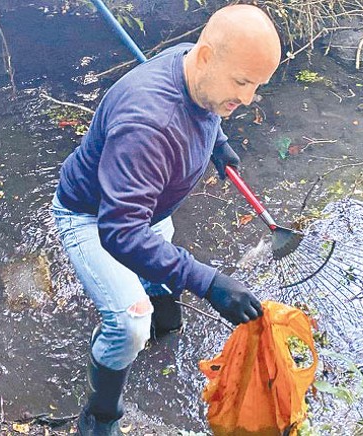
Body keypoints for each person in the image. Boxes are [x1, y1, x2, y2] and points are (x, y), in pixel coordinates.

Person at [51, 4, 281, 435]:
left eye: (257, 86)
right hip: (93, 213)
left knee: (165, 300)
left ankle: (163, 312)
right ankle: (100, 415)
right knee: (131, 324)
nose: (248, 98)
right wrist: (209, 282)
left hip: (148, 205)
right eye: (242, 83)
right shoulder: (148, 126)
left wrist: (218, 140)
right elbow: (120, 232)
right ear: (208, 57)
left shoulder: (193, 62)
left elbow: (206, 106)